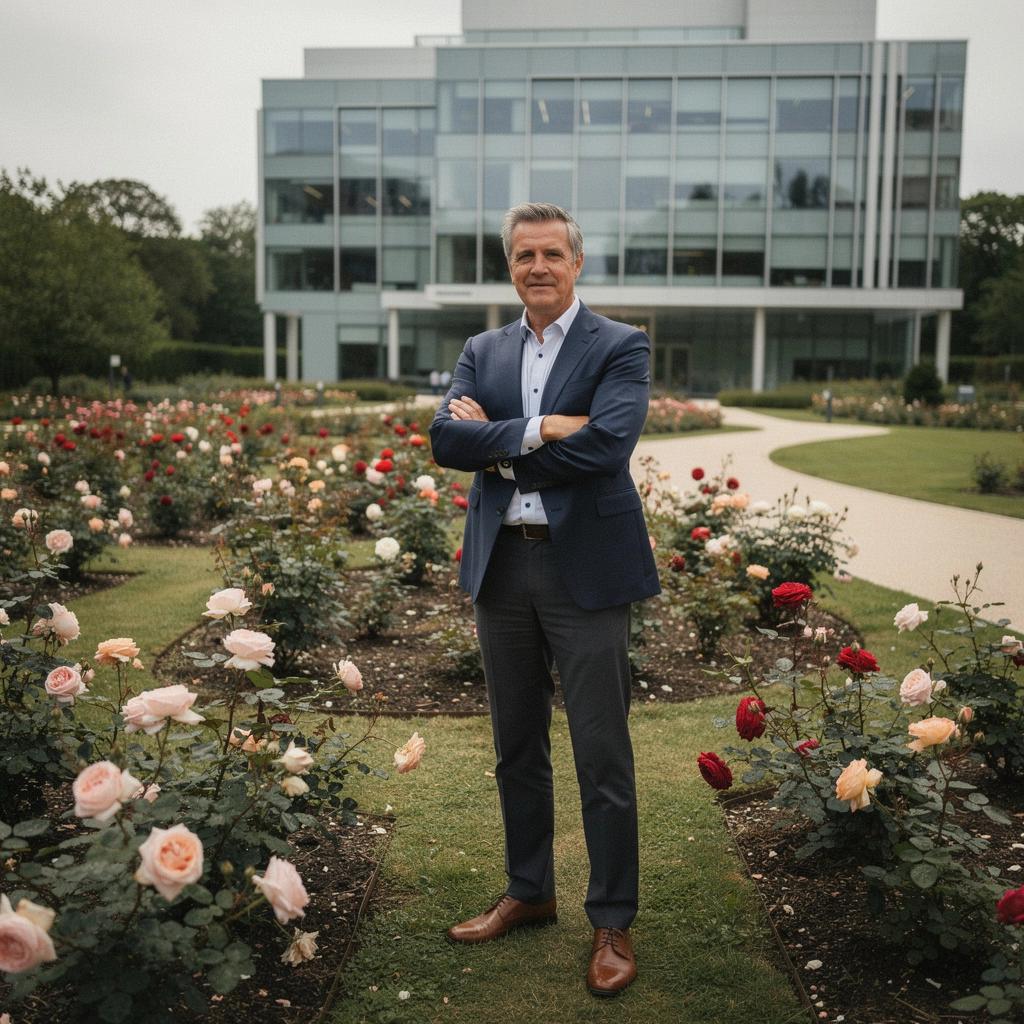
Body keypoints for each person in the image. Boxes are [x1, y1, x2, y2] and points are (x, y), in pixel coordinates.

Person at [429, 202, 660, 997]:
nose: (538, 267)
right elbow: (444, 440)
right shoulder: (482, 350)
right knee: (515, 746)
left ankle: (612, 920)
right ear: (510, 265)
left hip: (583, 571)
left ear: (577, 262)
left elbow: (609, 444)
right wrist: (541, 429)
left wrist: (497, 445)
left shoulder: (620, 345)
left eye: (552, 254)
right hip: (502, 569)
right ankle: (529, 891)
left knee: (602, 752)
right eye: (524, 254)